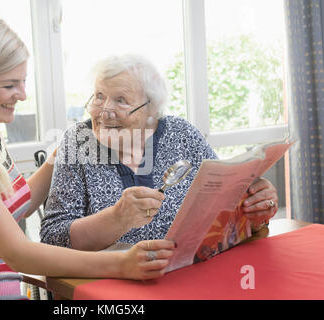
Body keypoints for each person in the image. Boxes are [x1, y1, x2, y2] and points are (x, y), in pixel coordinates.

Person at [0, 15, 174, 300]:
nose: (21, 95)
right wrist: (122, 263)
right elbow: (18, 254)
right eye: (9, 85)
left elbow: (10, 207)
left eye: (22, 82)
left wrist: (60, 156)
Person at [40, 54, 279, 251]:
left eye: (121, 100)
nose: (104, 112)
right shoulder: (78, 142)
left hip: (188, 276)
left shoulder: (181, 133)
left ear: (151, 109)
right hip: (111, 287)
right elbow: (52, 238)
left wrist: (254, 210)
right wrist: (116, 219)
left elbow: (224, 208)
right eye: (99, 97)